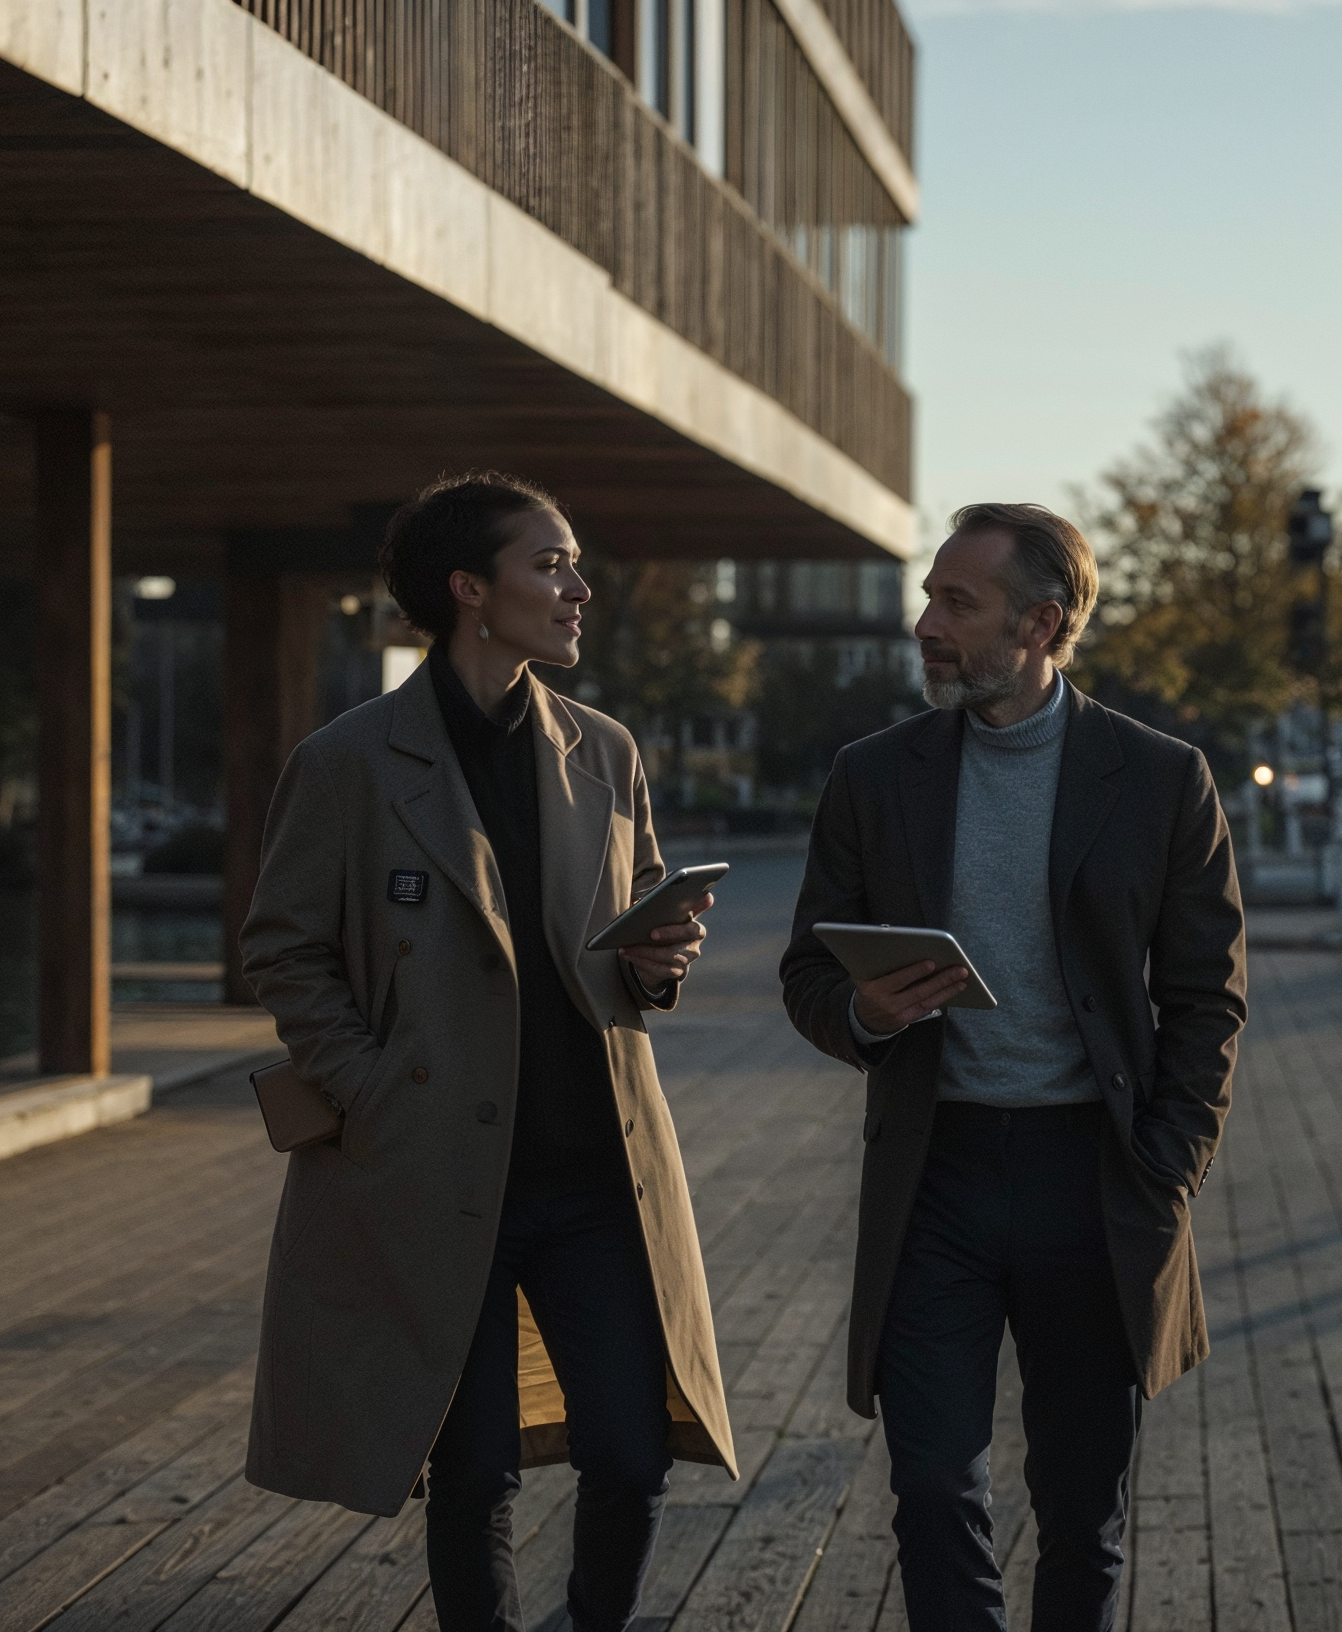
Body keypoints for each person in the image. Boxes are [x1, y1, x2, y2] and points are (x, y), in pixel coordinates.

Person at [240, 471, 736, 1631]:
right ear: (470, 590)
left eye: (571, 564)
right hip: (432, 1172)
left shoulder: (603, 753)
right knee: (471, 1475)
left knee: (630, 1451)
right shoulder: (349, 763)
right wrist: (370, 1087)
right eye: (549, 564)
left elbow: (621, 948)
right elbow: (282, 947)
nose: (578, 587)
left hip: (596, 1178)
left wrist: (657, 961)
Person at [779, 503, 1248, 1629]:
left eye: (956, 603)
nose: (924, 622)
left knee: (1082, 1506)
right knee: (933, 1485)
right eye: (930, 594)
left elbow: (1205, 1000)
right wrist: (867, 1013)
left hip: (1092, 1180)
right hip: (931, 1179)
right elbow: (807, 973)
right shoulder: (872, 775)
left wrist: (1165, 1171)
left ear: (1040, 623)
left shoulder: (1158, 778)